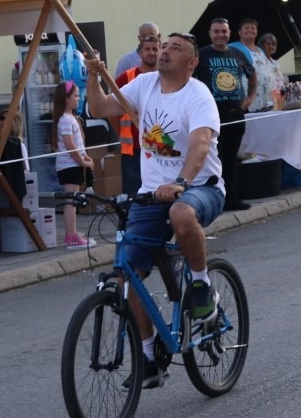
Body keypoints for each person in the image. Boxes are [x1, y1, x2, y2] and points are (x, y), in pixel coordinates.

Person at [84, 32, 226, 389]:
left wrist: (180, 180)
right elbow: (99, 109)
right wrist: (92, 74)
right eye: (165, 47)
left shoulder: (199, 96)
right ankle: (149, 358)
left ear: (192, 63)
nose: (165, 52)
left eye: (175, 48)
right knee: (126, 278)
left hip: (200, 188)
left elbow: (200, 143)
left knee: (181, 213)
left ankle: (201, 284)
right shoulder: (144, 84)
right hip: (150, 195)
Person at [193, 18, 255, 211]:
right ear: (210, 34)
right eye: (217, 31)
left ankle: (231, 198)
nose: (221, 35)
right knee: (212, 159)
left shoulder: (238, 53)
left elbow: (252, 75)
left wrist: (251, 97)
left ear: (230, 33)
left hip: (235, 114)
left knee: (230, 158)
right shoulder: (201, 55)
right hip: (211, 117)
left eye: (224, 31)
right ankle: (212, 200)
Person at [53, 81, 97, 250]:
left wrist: (85, 156)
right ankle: (71, 235)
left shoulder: (71, 117)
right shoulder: (64, 119)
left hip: (73, 164)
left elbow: (78, 145)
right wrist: (82, 161)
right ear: (66, 99)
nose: (79, 99)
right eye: (76, 96)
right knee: (71, 201)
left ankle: (72, 233)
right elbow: (70, 145)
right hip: (68, 165)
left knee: (73, 199)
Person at [115, 34, 160, 196]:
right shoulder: (126, 77)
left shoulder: (166, 77)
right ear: (139, 53)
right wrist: (121, 132)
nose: (151, 53)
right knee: (133, 195)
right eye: (147, 49)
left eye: (155, 49)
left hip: (160, 147)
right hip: (133, 148)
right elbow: (111, 109)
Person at [230, 19, 278, 112]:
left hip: (268, 99)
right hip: (249, 98)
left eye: (253, 28)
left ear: (256, 32)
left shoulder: (261, 50)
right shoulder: (234, 48)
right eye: (246, 28)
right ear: (239, 32)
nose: (250, 30)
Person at [255, 32, 288, 109]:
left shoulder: (275, 63)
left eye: (273, 44)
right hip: (264, 101)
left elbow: (280, 81)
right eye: (268, 44)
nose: (271, 46)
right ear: (262, 45)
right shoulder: (258, 61)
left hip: (277, 100)